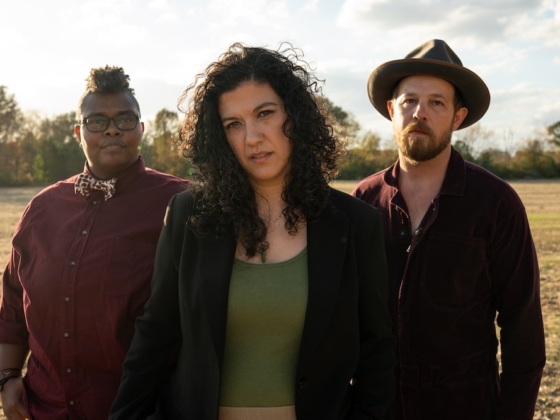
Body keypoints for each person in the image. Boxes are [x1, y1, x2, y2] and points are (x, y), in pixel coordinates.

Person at [110, 43, 396, 420]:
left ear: (294, 115)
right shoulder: (188, 216)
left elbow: (377, 351)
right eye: (234, 124)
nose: (252, 138)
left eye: (265, 114)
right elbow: (155, 333)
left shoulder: (356, 223)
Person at [353, 39, 546, 419]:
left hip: (466, 406)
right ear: (392, 110)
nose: (419, 113)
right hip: (378, 408)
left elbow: (522, 325)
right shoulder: (363, 201)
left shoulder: (496, 203)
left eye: (437, 103)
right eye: (409, 101)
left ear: (458, 117)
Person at [0, 66, 186, 419]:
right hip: (46, 408)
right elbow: (12, 302)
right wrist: (7, 377)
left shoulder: (181, 204)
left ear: (141, 129)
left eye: (125, 119)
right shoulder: (42, 209)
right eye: (97, 121)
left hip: (142, 411)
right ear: (78, 132)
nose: (112, 129)